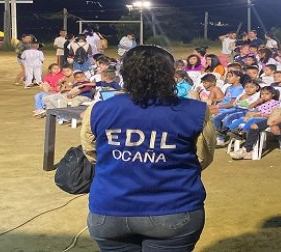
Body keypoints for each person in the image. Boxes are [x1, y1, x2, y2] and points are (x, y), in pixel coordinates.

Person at [80, 45, 215, 251]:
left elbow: (92, 153)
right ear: (170, 74)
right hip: (173, 208)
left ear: (124, 74)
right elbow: (203, 157)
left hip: (109, 209)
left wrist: (125, 160)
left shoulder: (98, 109)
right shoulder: (195, 111)